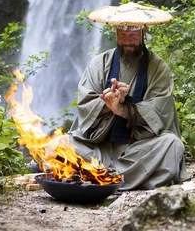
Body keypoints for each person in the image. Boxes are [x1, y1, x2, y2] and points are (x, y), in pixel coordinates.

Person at [67, 24, 187, 190]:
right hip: (100, 149)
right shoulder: (99, 64)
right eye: (122, 35)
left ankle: (103, 178)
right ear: (115, 33)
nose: (127, 41)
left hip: (139, 151)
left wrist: (123, 109)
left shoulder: (158, 68)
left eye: (133, 35)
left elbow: (160, 114)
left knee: (172, 145)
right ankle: (126, 179)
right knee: (61, 143)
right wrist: (108, 104)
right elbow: (86, 106)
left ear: (143, 31)